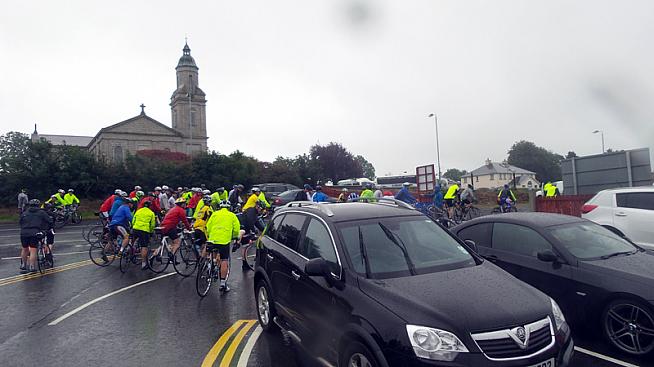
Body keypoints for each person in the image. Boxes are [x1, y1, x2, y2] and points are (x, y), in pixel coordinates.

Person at [205, 200, 241, 292]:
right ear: (229, 208)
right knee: (224, 260)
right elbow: (237, 229)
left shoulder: (214, 214)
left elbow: (208, 226)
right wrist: (234, 237)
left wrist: (210, 235)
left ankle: (211, 264)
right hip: (224, 240)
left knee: (214, 251)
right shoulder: (232, 215)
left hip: (212, 238)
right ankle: (222, 284)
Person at [19, 199, 52, 273]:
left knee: (24, 248)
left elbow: (20, 222)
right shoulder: (41, 212)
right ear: (38, 205)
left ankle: (23, 265)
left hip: (24, 233)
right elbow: (49, 221)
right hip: (35, 232)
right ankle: (32, 266)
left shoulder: (25, 212)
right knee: (33, 249)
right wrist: (47, 228)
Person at [131, 200, 156, 270]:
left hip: (135, 228)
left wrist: (133, 226)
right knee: (144, 246)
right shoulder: (151, 213)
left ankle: (130, 251)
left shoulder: (138, 211)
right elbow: (152, 224)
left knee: (134, 241)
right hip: (144, 230)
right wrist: (151, 232)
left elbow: (133, 220)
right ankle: (144, 263)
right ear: (150, 206)